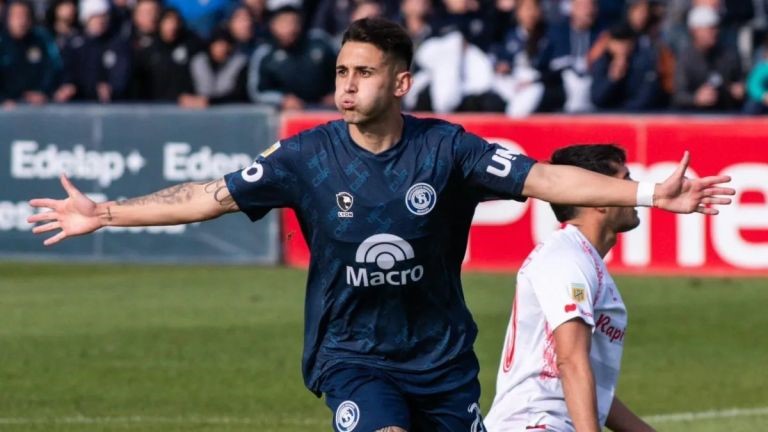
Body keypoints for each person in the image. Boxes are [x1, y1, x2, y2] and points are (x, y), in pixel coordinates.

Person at [28, 17, 734, 432]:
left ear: (399, 83)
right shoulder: (306, 154)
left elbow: (545, 178)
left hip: (442, 362)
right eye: (341, 70)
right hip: (353, 357)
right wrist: (108, 211)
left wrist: (643, 193)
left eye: (363, 72)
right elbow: (206, 196)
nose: (345, 85)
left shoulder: (448, 149)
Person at [484, 144, 659, 432]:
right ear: (600, 198)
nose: (634, 191)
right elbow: (571, 361)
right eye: (625, 181)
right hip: (535, 424)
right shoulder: (567, 259)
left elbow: (588, 383)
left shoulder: (581, 258)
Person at [0, 0, 62, 107]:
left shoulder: (41, 40)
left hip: (37, 107)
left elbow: (53, 68)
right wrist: (3, 99)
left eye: (25, 16)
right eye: (17, 16)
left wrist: (43, 92)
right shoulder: (2, 43)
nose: (22, 21)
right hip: (7, 109)